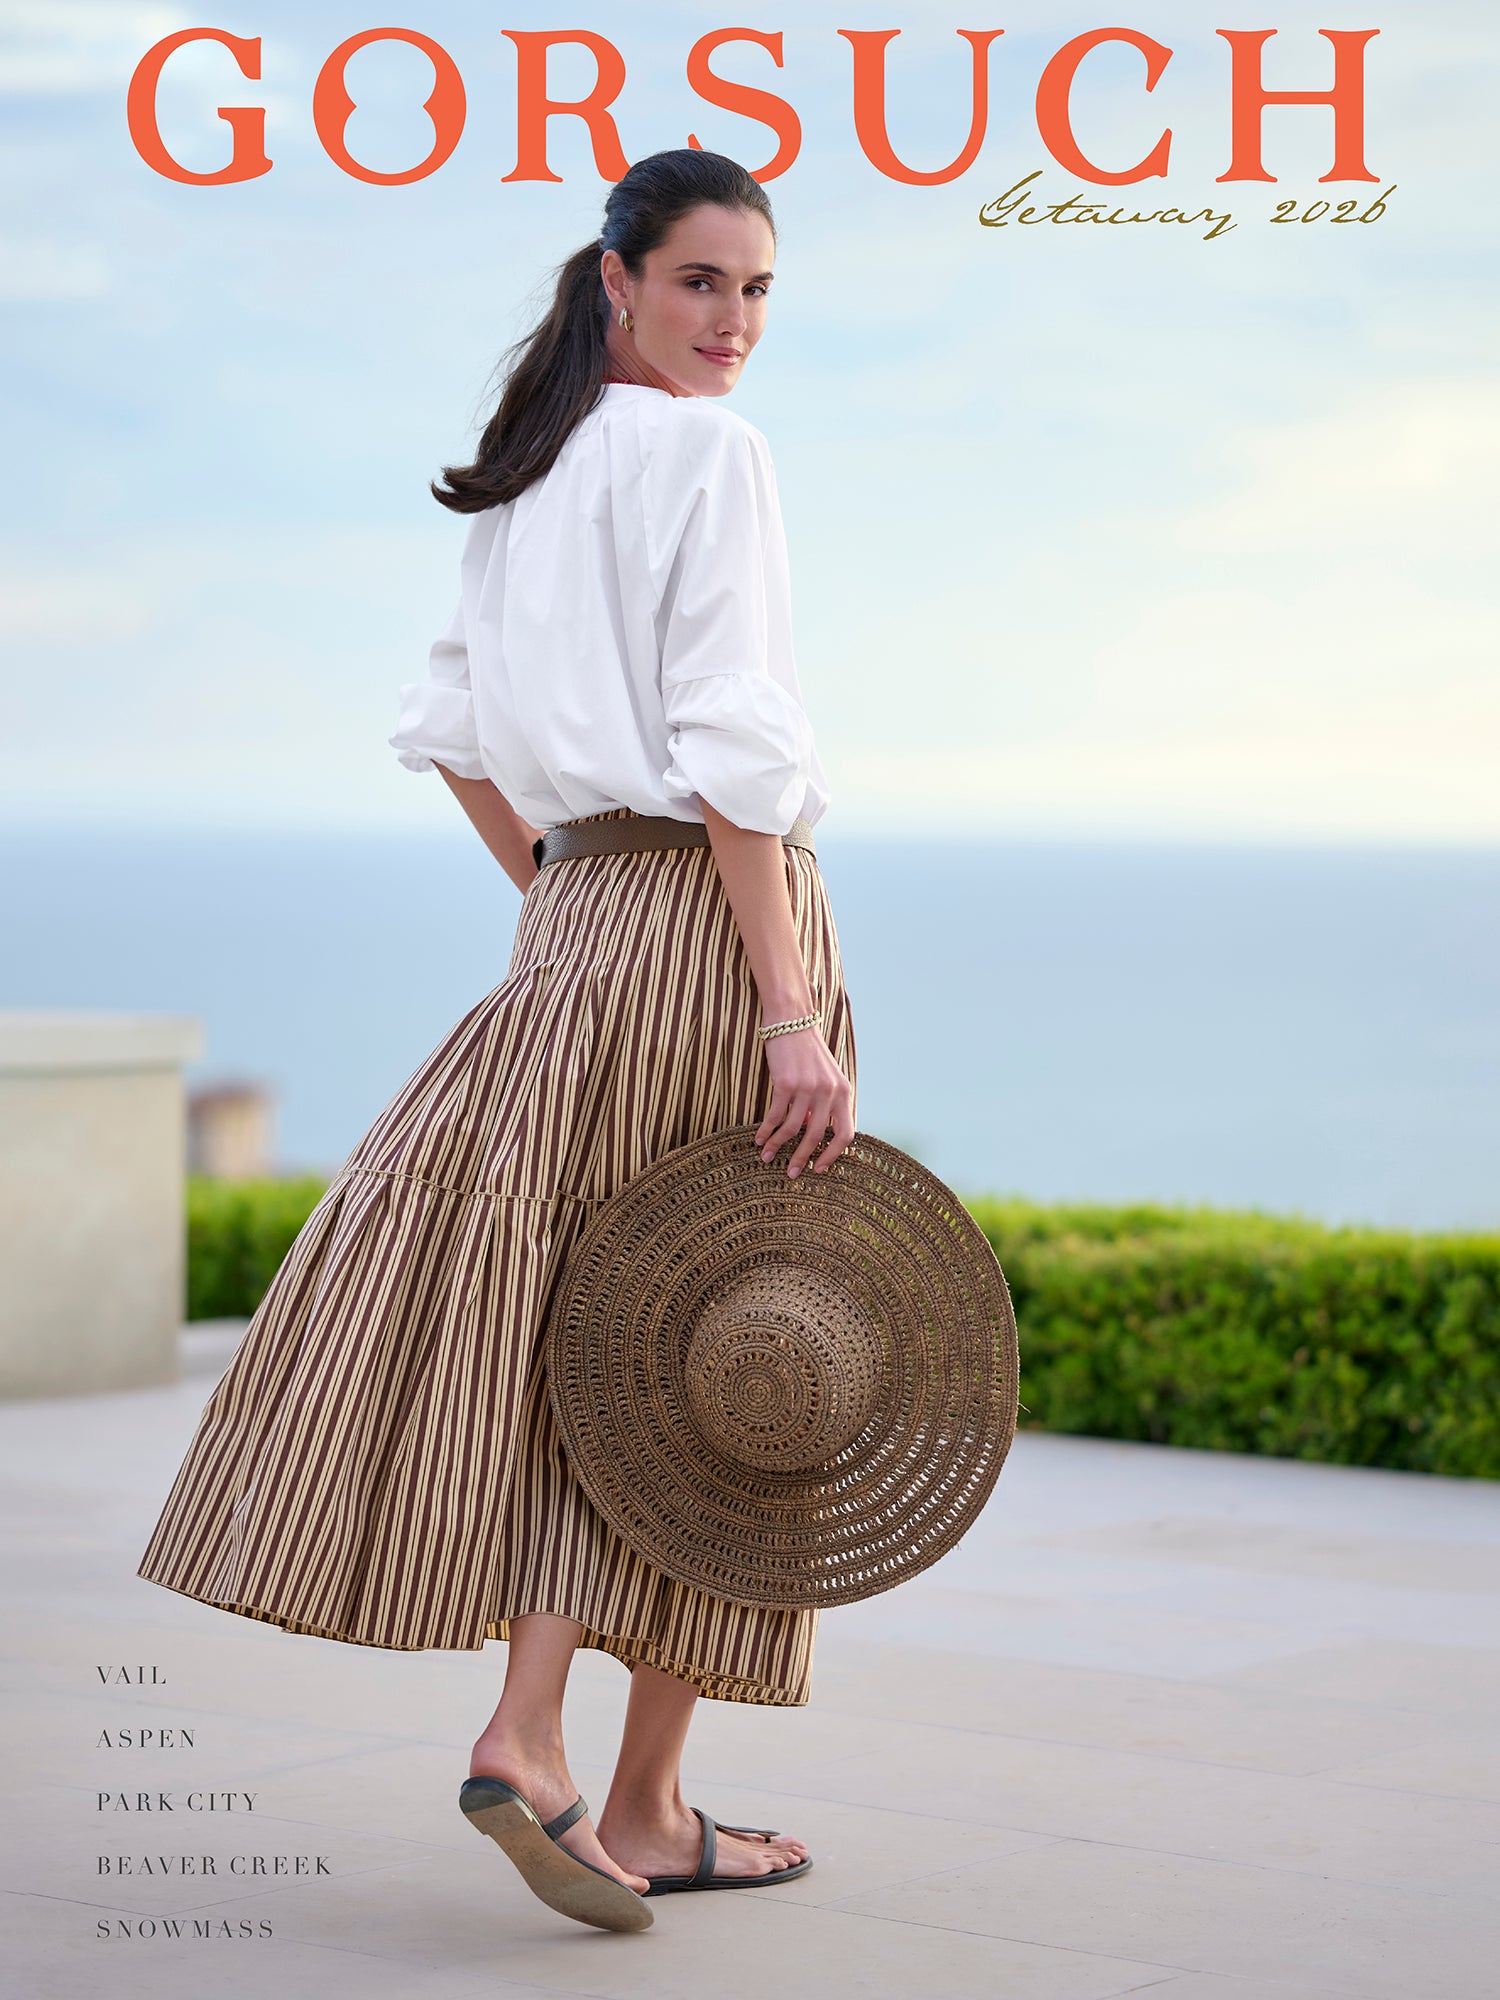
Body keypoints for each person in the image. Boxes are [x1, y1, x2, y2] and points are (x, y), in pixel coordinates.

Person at [136, 147, 858, 1924]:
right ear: (617, 281)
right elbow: (734, 745)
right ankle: (632, 1789)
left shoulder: (526, 479)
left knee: (586, 1334)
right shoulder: (714, 457)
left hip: (576, 927)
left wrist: (558, 884)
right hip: (710, 930)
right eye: (700, 282)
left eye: (757, 290)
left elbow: (448, 729)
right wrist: (786, 1008)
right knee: (733, 1350)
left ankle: (551, 1747)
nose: (734, 322)